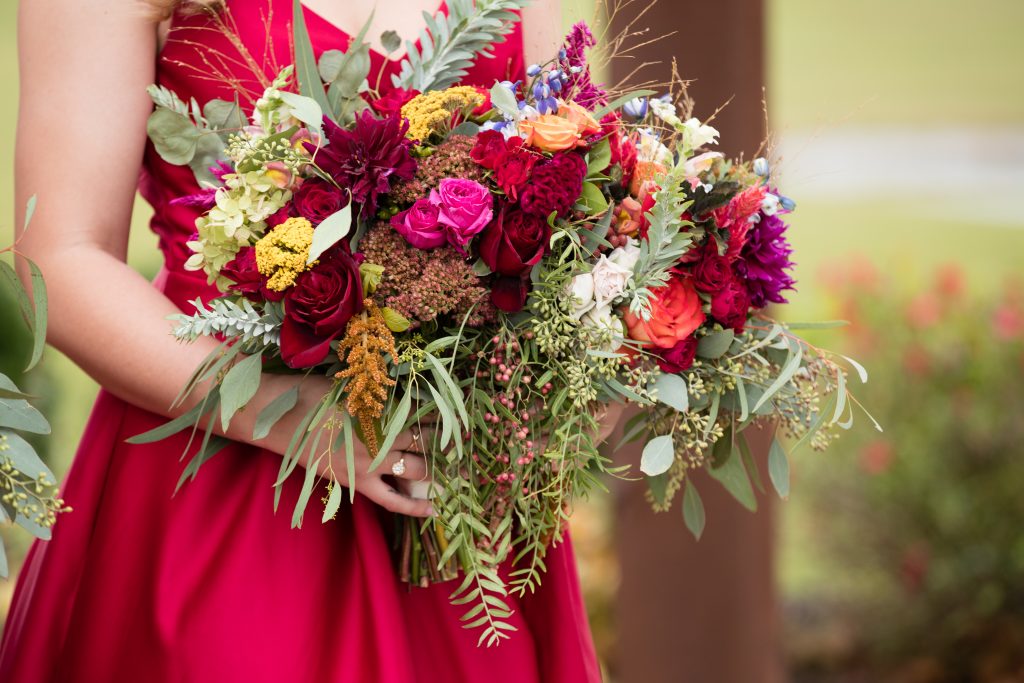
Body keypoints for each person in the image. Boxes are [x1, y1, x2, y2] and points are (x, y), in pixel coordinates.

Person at [1, 1, 606, 680]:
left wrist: (572, 375)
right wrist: (297, 416)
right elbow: (60, 256)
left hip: (460, 512)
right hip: (228, 485)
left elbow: (578, 187)